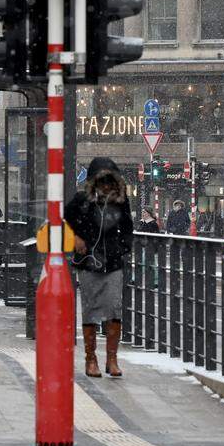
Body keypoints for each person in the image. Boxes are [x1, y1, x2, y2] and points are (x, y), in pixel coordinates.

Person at [65, 157, 134, 379]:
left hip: (113, 263)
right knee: (91, 309)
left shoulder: (121, 201)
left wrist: (122, 247)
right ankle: (90, 358)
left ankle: (112, 359)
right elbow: (65, 221)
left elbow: (128, 228)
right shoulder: (80, 200)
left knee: (114, 307)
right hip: (88, 262)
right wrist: (76, 238)